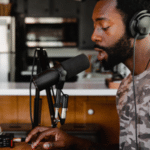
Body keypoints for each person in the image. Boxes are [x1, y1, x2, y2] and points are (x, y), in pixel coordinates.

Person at [25, 0, 150, 149]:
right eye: (94, 27)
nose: (93, 36)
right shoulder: (126, 86)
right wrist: (74, 143)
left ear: (140, 26)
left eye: (104, 26)